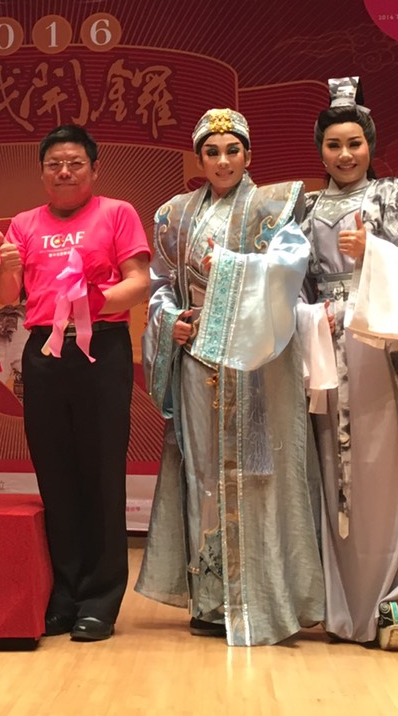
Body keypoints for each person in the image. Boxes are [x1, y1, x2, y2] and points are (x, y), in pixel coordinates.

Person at [135, 109, 324, 645]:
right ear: (199, 160)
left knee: (259, 471)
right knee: (202, 471)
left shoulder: (273, 206)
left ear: (248, 155)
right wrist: (172, 320)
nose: (222, 161)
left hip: (254, 361)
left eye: (232, 151)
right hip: (197, 358)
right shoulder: (174, 215)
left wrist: (231, 272)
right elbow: (161, 286)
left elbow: (291, 269)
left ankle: (260, 593)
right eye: (212, 153)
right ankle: (211, 597)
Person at [0, 124, 151, 642]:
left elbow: (139, 282)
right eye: (54, 164)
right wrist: (7, 267)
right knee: (55, 473)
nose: (64, 172)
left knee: (101, 472)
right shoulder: (24, 223)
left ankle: (100, 599)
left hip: (100, 349)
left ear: (94, 169)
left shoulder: (117, 213)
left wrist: (93, 301)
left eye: (75, 163)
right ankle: (63, 594)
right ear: (42, 173)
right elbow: (5, 294)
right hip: (44, 352)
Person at [300, 79, 398, 651]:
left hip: (382, 343)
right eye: (333, 145)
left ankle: (393, 603)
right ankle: (340, 609)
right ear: (320, 150)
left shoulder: (397, 197)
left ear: (370, 145)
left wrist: (374, 255)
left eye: (354, 143)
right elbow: (292, 279)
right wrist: (309, 313)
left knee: (388, 469)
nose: (345, 155)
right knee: (333, 468)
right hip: (324, 343)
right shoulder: (305, 208)